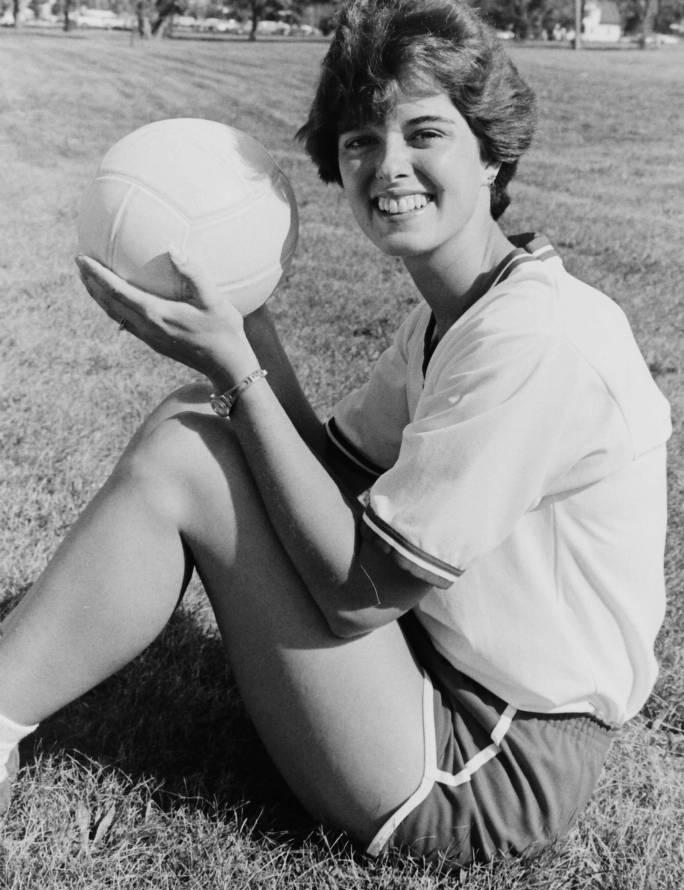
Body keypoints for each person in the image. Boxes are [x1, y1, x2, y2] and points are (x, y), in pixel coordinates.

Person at [0, 0, 671, 868]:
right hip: (436, 674)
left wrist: (233, 370)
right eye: (360, 141)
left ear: (492, 149)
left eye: (424, 132)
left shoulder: (536, 341)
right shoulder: (459, 316)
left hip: (482, 766)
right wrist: (246, 315)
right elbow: (328, 473)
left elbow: (360, 590)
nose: (389, 165)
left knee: (191, 451)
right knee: (190, 426)